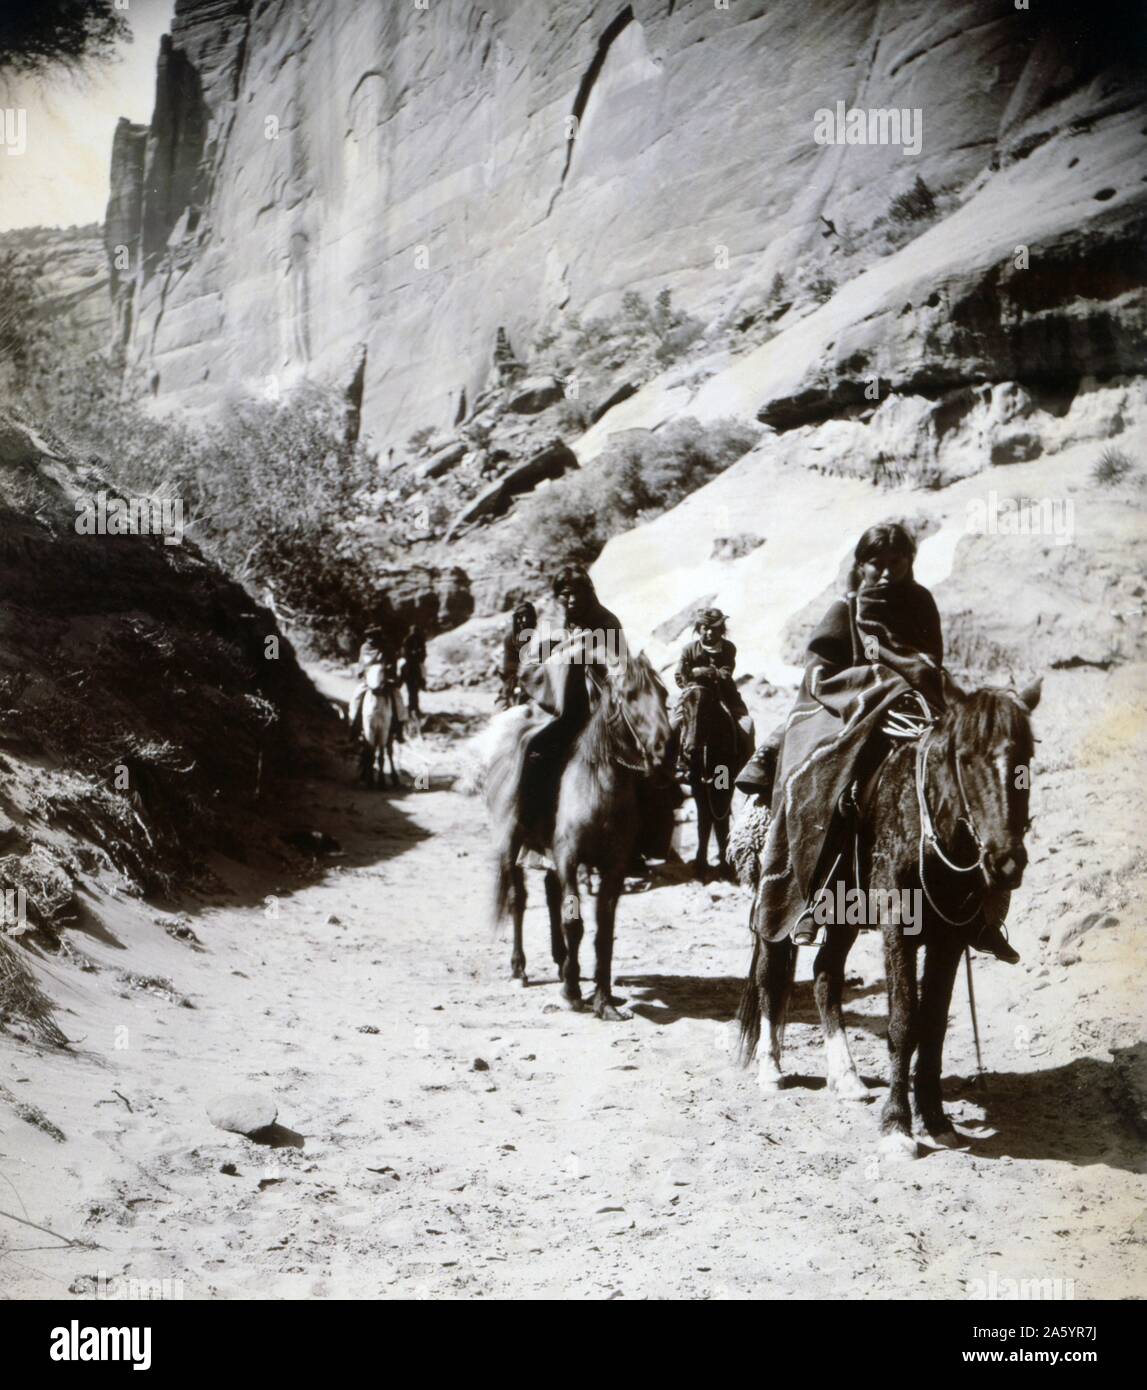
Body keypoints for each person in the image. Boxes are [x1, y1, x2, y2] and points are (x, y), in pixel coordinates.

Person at [737, 522, 1016, 960]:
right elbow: (819, 673)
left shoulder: (922, 602)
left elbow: (931, 661)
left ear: (910, 562)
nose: (886, 574)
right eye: (877, 565)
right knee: (837, 785)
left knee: (972, 779)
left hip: (916, 707)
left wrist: (920, 684)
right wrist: (876, 681)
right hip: (850, 711)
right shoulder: (845, 610)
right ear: (861, 565)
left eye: (896, 563)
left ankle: (977, 910)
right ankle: (818, 895)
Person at [517, 567, 627, 821]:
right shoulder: (553, 625)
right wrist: (562, 651)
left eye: (578, 593)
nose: (572, 600)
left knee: (636, 760)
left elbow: (621, 666)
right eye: (566, 594)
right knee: (531, 753)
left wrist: (593, 654)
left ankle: (637, 841)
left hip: (599, 710)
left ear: (589, 594)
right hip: (557, 707)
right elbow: (530, 666)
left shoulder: (606, 622)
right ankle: (531, 825)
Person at [673, 607, 751, 769]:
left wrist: (704, 672)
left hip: (724, 695)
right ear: (698, 629)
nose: (709, 632)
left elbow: (726, 673)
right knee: (672, 725)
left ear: (721, 630)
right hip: (693, 696)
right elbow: (680, 676)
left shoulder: (728, 648)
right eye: (705, 628)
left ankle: (747, 767)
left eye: (714, 628)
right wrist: (691, 682)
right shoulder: (689, 649)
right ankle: (673, 767)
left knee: (746, 727)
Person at [347, 628, 403, 742]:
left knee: (398, 700)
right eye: (368, 636)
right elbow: (361, 664)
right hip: (368, 682)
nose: (370, 639)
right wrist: (363, 672)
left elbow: (393, 663)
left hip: (385, 681)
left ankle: (399, 728)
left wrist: (389, 673)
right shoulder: (365, 648)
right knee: (356, 697)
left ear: (379, 637)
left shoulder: (387, 648)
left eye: (373, 637)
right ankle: (354, 725)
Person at [497, 601, 537, 709]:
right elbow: (509, 669)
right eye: (520, 617)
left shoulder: (543, 635)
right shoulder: (510, 639)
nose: (523, 620)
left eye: (527, 616)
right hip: (519, 682)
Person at [400, 624, 427, 718]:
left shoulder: (420, 640)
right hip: (409, 665)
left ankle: (414, 707)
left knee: (414, 690)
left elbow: (424, 653)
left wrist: (418, 654)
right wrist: (414, 653)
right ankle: (412, 707)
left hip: (416, 664)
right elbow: (404, 653)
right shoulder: (406, 640)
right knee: (411, 689)